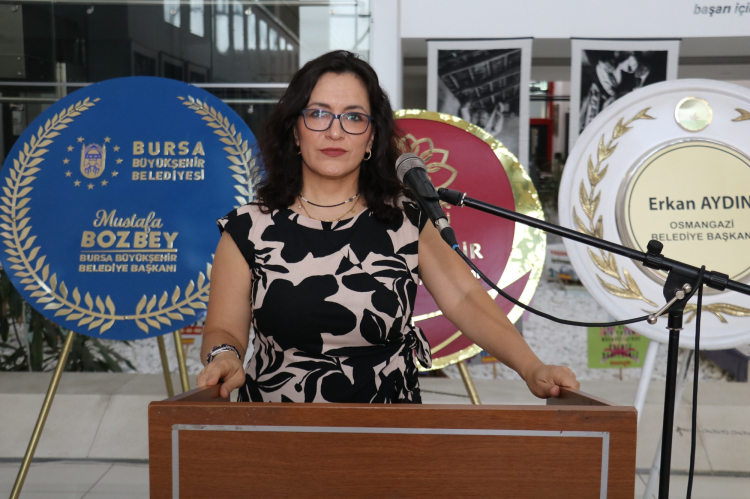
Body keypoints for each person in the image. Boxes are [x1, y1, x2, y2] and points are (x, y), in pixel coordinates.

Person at [198, 50, 578, 403]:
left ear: (372, 137)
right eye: (318, 114)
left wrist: (531, 367)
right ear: (295, 131)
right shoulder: (248, 228)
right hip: (275, 431)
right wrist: (224, 356)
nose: (335, 132)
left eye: (353, 117)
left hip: (391, 431)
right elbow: (224, 330)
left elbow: (465, 299)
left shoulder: (406, 219)